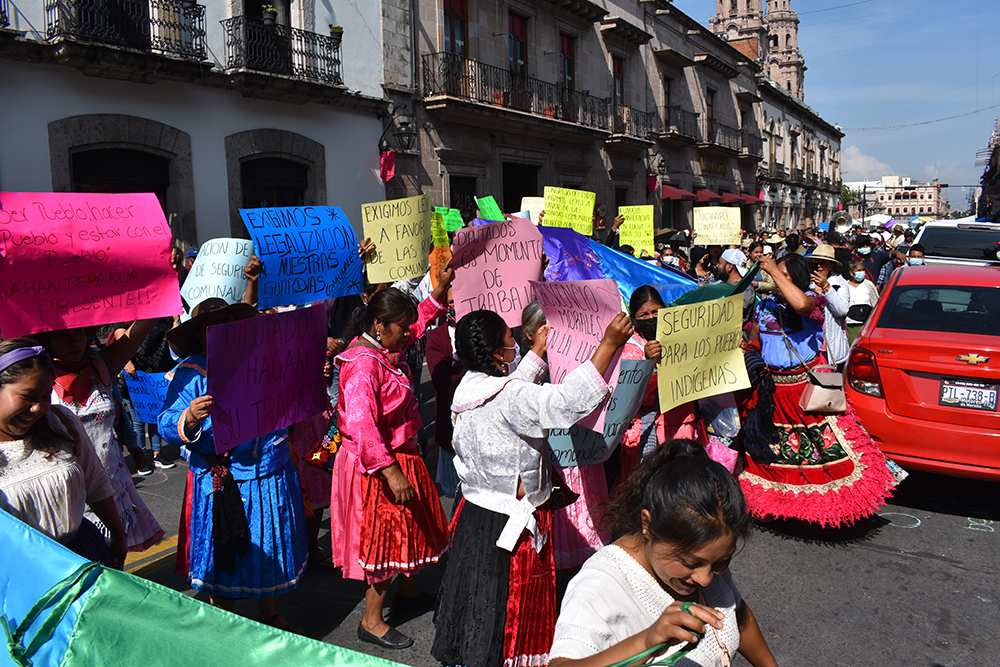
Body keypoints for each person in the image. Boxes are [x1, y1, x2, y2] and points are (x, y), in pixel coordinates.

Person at [432, 309, 633, 667]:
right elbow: (565, 402)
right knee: (508, 610)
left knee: (479, 602)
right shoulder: (510, 395)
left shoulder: (466, 388)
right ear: (498, 354)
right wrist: (608, 344)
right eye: (511, 340)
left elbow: (509, 393)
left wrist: (537, 352)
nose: (516, 343)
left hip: (475, 516)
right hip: (513, 529)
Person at [549, 439, 777, 667]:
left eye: (722, 562)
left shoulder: (709, 557)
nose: (706, 579)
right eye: (689, 562)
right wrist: (648, 641)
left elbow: (737, 614)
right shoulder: (600, 586)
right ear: (647, 524)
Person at [158, 298, 307, 630]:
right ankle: (225, 624)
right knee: (226, 557)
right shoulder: (191, 374)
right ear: (199, 336)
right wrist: (189, 416)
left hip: (269, 472)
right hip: (224, 480)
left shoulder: (260, 360)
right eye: (212, 326)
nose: (222, 330)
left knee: (267, 547)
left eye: (228, 322)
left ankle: (267, 611)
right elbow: (166, 424)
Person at [330, 267, 455, 649]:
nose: (407, 334)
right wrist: (391, 473)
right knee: (385, 537)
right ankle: (371, 620)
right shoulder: (363, 364)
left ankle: (409, 590)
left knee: (410, 527)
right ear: (379, 325)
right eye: (400, 327)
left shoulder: (385, 347)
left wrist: (440, 288)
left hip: (400, 453)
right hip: (378, 464)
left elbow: (417, 327)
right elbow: (363, 427)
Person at [738, 254, 897, 527]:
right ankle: (782, 508)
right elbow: (755, 337)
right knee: (776, 453)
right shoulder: (765, 305)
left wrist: (773, 269)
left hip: (806, 391)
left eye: (785, 275)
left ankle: (826, 510)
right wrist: (751, 352)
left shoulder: (813, 301)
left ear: (798, 278)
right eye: (777, 275)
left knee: (821, 450)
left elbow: (800, 304)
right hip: (773, 392)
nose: (777, 279)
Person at [34, 322, 164, 552]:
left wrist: (133, 443)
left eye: (79, 333)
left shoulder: (99, 365)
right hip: (69, 499)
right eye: (63, 335)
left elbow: (141, 329)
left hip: (111, 486)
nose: (74, 341)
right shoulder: (35, 378)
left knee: (114, 559)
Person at [0, 339, 128, 569]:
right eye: (27, 396)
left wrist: (118, 536)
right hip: (20, 573)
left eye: (45, 396)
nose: (38, 407)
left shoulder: (61, 422)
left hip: (82, 555)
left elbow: (96, 485)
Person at [806, 245, 850, 371]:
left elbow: (841, 310)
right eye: (816, 263)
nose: (819, 266)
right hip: (811, 346)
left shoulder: (839, 283)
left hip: (832, 347)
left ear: (831, 265)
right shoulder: (806, 283)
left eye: (823, 263)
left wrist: (826, 287)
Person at [846, 259, 879, 343]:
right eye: (859, 270)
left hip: (866, 325)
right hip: (850, 326)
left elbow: (876, 304)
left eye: (863, 270)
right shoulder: (845, 286)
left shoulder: (868, 285)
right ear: (851, 272)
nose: (862, 272)